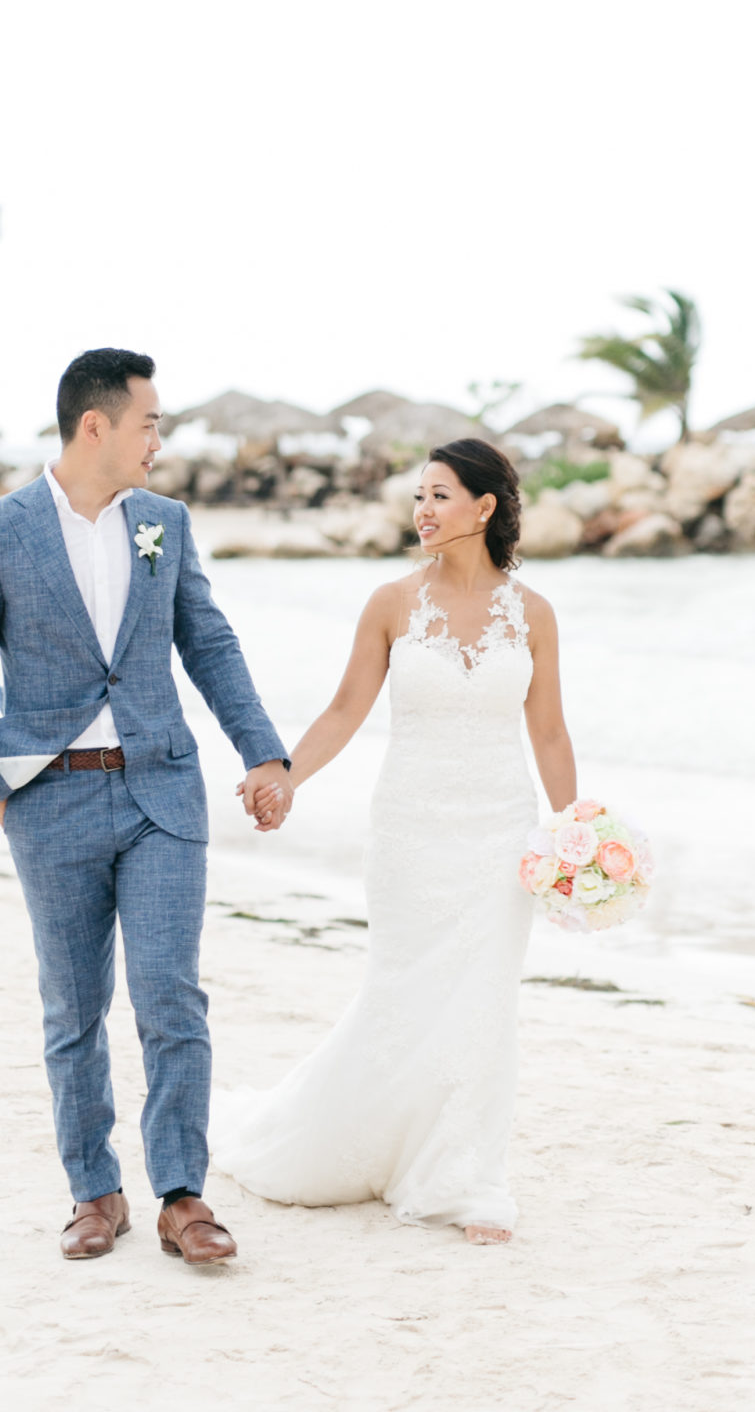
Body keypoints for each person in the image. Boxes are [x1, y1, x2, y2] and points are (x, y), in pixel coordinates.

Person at [0, 348, 292, 1265]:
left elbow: (208, 642)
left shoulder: (164, 522)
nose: (158, 441)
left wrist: (262, 751)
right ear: (95, 426)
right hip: (47, 801)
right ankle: (94, 1191)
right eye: (149, 423)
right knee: (73, 1008)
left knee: (171, 996)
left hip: (160, 791)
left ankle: (181, 1195)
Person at [210, 437, 576, 1243]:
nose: (422, 510)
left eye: (439, 495)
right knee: (402, 989)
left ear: (484, 506)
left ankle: (463, 1177)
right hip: (411, 829)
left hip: (500, 833)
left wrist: (572, 832)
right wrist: (284, 776)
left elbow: (548, 733)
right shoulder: (391, 604)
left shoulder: (535, 614)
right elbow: (345, 710)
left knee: (483, 1002)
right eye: (418, 496)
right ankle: (369, 1143)